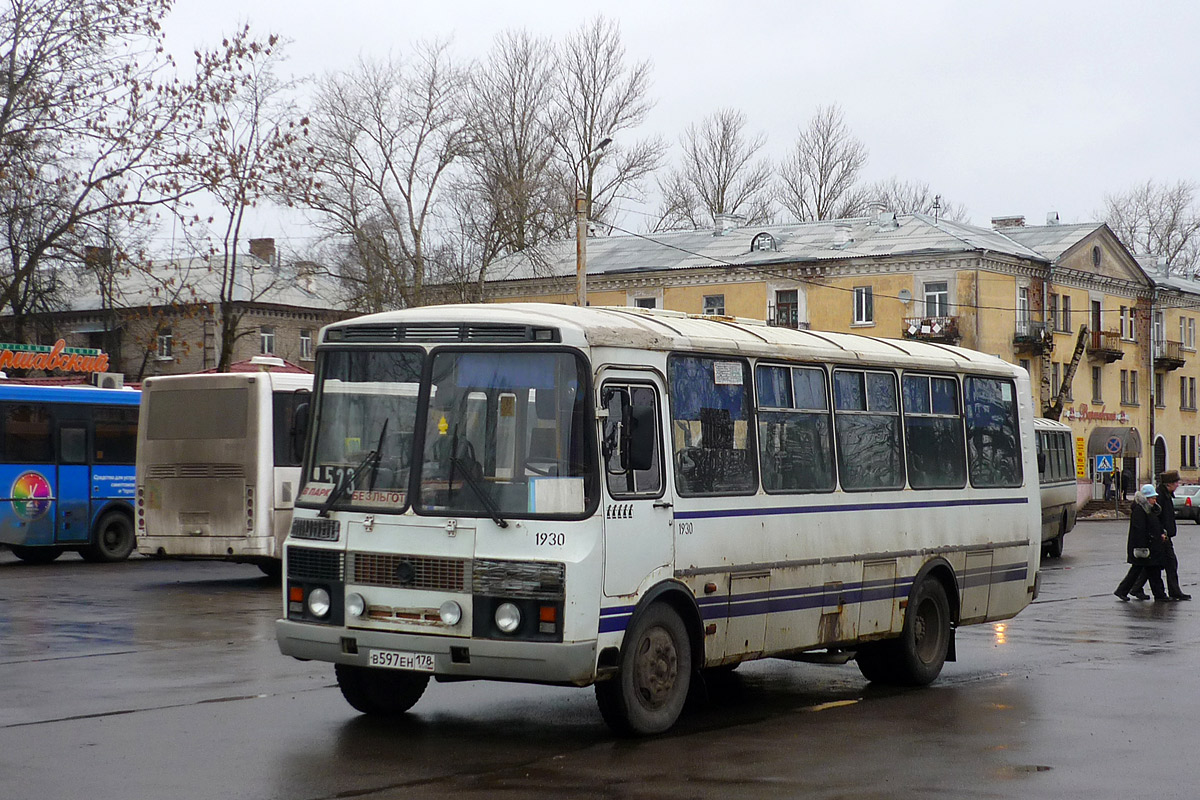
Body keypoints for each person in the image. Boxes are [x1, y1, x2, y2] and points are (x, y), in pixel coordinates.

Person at [1130, 471, 1192, 600]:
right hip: (1161, 537)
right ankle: (1173, 591)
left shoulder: (1166, 495)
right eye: (1176, 482)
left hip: (1163, 536)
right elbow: (1155, 518)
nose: (1178, 485)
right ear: (1169, 484)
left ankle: (1136, 588)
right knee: (1167, 564)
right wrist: (1161, 533)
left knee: (1153, 565)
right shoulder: (1160, 497)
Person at [1114, 483, 1170, 601]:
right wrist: (1142, 548)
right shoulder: (1140, 510)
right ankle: (1159, 595)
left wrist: (1161, 533)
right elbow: (1139, 530)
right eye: (1153, 498)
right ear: (1146, 499)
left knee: (1145, 571)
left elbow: (1156, 525)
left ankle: (1123, 591)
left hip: (1150, 547)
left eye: (1155, 498)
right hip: (1145, 548)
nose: (1155, 500)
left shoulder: (1150, 510)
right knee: (1145, 571)